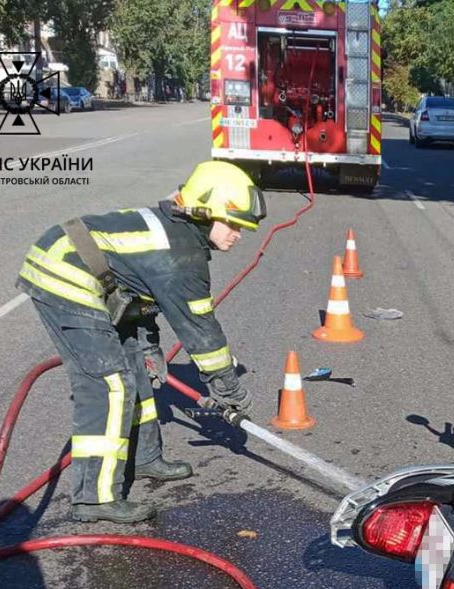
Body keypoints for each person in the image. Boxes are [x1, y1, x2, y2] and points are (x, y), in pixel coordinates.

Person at [15, 161, 267, 524]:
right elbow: (202, 333)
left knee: (140, 370)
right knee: (109, 384)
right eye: (233, 224)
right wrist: (228, 389)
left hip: (98, 277)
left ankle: (145, 458)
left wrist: (148, 345)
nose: (238, 234)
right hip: (63, 271)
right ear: (203, 213)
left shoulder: (180, 235)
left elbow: (139, 287)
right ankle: (94, 498)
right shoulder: (180, 255)